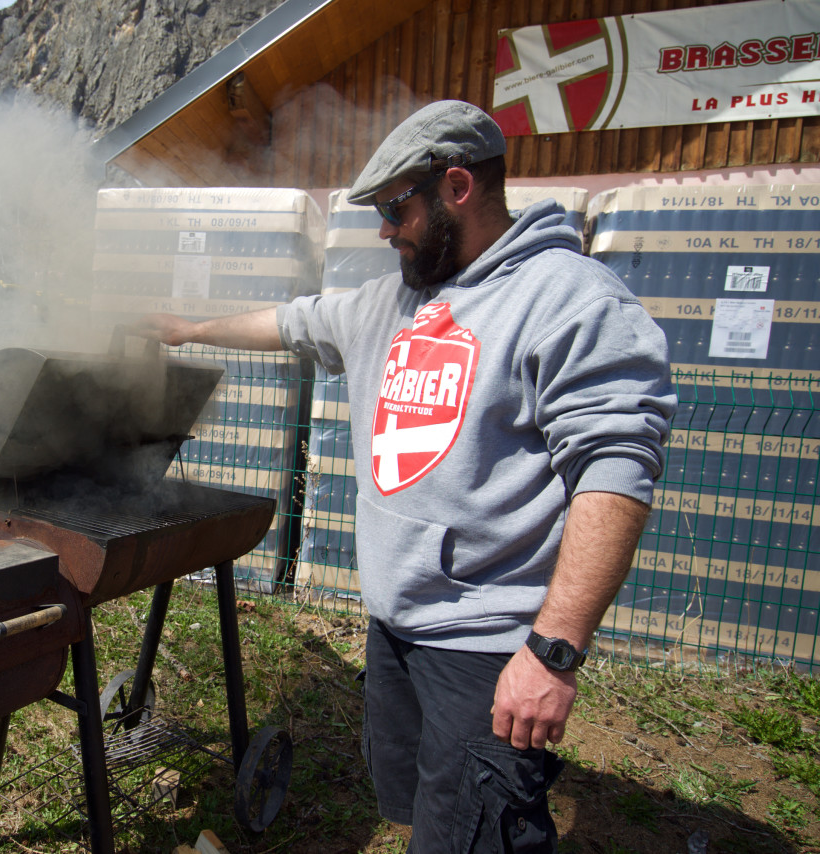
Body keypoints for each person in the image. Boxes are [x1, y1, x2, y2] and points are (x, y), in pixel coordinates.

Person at [134, 100, 676, 852]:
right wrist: (188, 330)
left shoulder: (568, 298)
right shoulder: (388, 301)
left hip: (488, 642)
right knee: (427, 811)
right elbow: (293, 322)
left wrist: (553, 652)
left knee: (481, 834)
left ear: (457, 187)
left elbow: (616, 470)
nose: (385, 230)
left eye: (396, 208)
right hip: (395, 626)